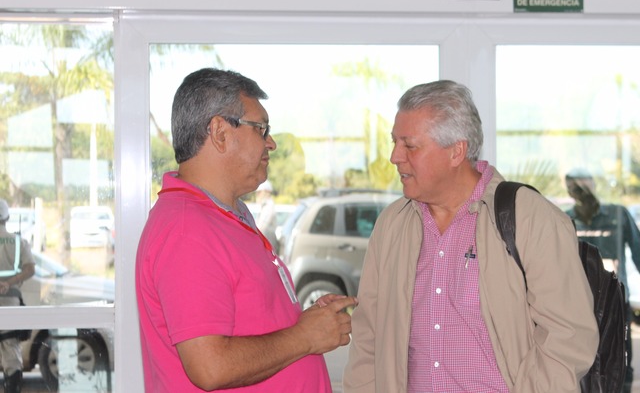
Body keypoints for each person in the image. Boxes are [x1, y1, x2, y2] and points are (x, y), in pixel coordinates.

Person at [343, 80, 599, 393]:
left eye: (410, 145)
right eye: (395, 142)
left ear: (456, 151)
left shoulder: (531, 219)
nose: (395, 157)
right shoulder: (392, 226)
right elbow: (369, 337)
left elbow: (568, 338)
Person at [135, 67, 357, 393]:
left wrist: (304, 323)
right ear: (220, 133)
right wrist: (305, 336)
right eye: (261, 129)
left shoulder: (226, 214)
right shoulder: (188, 230)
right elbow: (210, 367)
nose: (272, 143)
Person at [565, 168, 640, 393]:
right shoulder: (566, 219)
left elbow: (638, 253)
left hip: (616, 300)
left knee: (620, 362)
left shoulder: (618, 214)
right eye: (575, 186)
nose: (580, 190)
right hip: (577, 304)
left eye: (584, 184)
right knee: (581, 364)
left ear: (593, 184)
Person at [0, 199, 35, 393]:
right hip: (10, 300)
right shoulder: (17, 241)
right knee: (10, 349)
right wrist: (9, 283)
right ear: (7, 217)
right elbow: (30, 269)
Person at [255, 180, 278, 252]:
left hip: (267, 245)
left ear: (267, 192)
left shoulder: (269, 207)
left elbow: (262, 227)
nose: (258, 195)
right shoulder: (265, 206)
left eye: (260, 192)